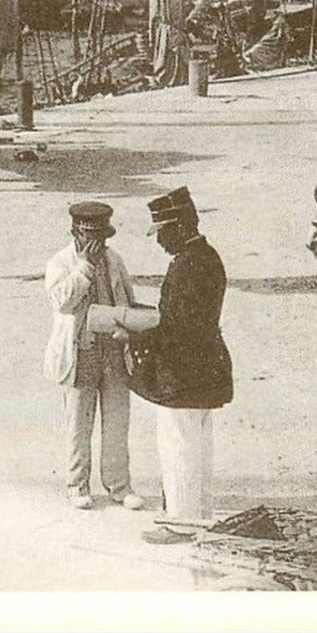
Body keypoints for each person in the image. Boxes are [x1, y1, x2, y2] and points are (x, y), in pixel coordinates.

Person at [137, 187, 234, 545]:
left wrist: (134, 333)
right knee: (199, 446)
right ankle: (200, 516)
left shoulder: (187, 265)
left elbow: (178, 326)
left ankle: (180, 522)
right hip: (207, 366)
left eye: (161, 231)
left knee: (178, 445)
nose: (159, 240)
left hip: (183, 372)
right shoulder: (207, 256)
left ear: (178, 226)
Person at [43, 201, 145, 512]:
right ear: (75, 234)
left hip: (113, 350)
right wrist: (84, 267)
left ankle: (119, 485)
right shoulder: (60, 263)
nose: (96, 246)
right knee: (78, 424)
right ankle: (77, 485)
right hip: (81, 351)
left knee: (117, 423)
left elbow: (127, 298)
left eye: (101, 239)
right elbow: (62, 302)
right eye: (89, 239)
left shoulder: (115, 260)